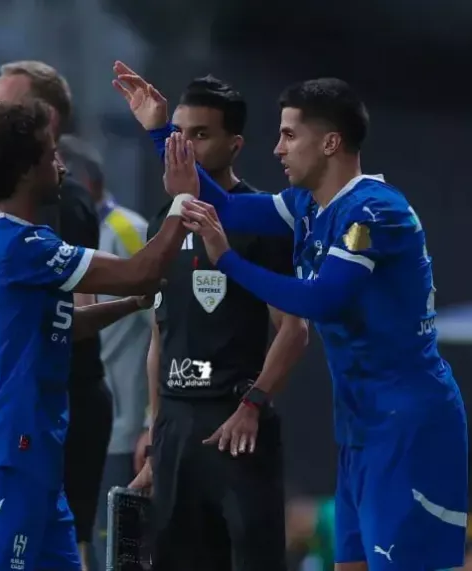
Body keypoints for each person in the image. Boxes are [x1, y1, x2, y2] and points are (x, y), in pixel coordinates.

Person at [113, 63, 468, 571]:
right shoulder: (306, 205)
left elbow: (321, 300)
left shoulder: (374, 212)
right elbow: (225, 208)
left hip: (409, 424)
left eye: (289, 135)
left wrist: (227, 260)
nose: (277, 149)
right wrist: (158, 131)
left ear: (330, 142)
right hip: (360, 424)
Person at [0, 99, 194, 571]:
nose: (61, 165)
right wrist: (182, 200)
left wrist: (129, 304)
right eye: (51, 154)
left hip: (34, 452)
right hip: (7, 452)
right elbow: (141, 270)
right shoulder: (24, 247)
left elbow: (64, 326)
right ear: (26, 170)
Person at [123, 75, 309, 571]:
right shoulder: (163, 220)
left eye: (201, 135)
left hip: (235, 426)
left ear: (235, 145)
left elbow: (294, 331)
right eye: (178, 134)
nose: (184, 147)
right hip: (175, 430)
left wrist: (252, 405)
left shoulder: (262, 222)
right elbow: (159, 334)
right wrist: (155, 431)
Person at [0, 60, 114, 570]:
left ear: (46, 120)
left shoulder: (63, 203)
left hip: (66, 407)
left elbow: (77, 315)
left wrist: (143, 285)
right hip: (23, 410)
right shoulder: (5, 210)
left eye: (1, 107)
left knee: (63, 548)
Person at [58, 134, 151, 571]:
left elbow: (163, 325)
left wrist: (151, 422)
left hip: (122, 431)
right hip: (75, 423)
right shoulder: (58, 243)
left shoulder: (127, 231)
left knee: (112, 551)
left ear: (85, 183)